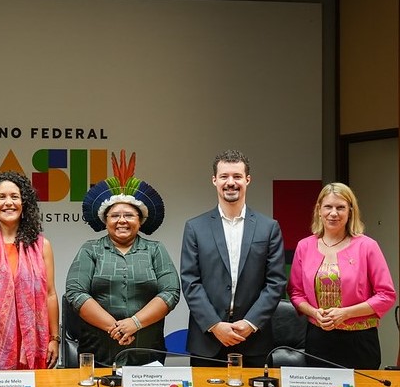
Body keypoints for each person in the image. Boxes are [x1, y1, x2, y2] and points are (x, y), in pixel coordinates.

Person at [65, 151, 180, 367]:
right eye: (115, 215)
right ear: (105, 219)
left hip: (147, 352)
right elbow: (75, 292)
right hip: (98, 353)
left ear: (140, 219)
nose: (122, 221)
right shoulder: (90, 250)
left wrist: (135, 323)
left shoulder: (156, 250)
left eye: (129, 215)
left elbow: (171, 292)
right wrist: (115, 327)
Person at [180, 149, 286, 368]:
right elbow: (190, 281)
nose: (231, 182)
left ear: (247, 180)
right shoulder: (195, 227)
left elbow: (276, 283)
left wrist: (250, 323)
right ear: (214, 180)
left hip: (254, 340)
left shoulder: (269, 228)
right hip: (208, 341)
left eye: (237, 176)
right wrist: (214, 325)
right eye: (224, 176)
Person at [287, 182, 396, 369]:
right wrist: (314, 313)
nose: (333, 213)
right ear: (319, 210)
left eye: (341, 207)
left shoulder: (367, 246)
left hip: (359, 341)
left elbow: (386, 295)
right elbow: (296, 293)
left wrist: (345, 313)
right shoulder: (304, 246)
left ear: (350, 211)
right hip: (318, 339)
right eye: (328, 207)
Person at [0, 171, 59, 370]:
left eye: (14, 197)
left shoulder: (42, 246)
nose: (8, 202)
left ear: (24, 204)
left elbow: (50, 294)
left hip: (35, 342)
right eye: (1, 197)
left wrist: (54, 338)